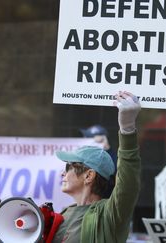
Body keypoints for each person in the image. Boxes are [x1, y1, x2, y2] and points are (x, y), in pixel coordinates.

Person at [52, 91, 141, 243]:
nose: (62, 174)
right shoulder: (64, 214)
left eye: (68, 168)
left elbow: (127, 184)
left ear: (89, 176)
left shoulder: (109, 214)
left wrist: (127, 128)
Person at [80, 124, 117, 198]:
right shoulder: (86, 155)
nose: (84, 139)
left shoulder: (112, 157)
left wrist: (106, 148)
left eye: (87, 138)